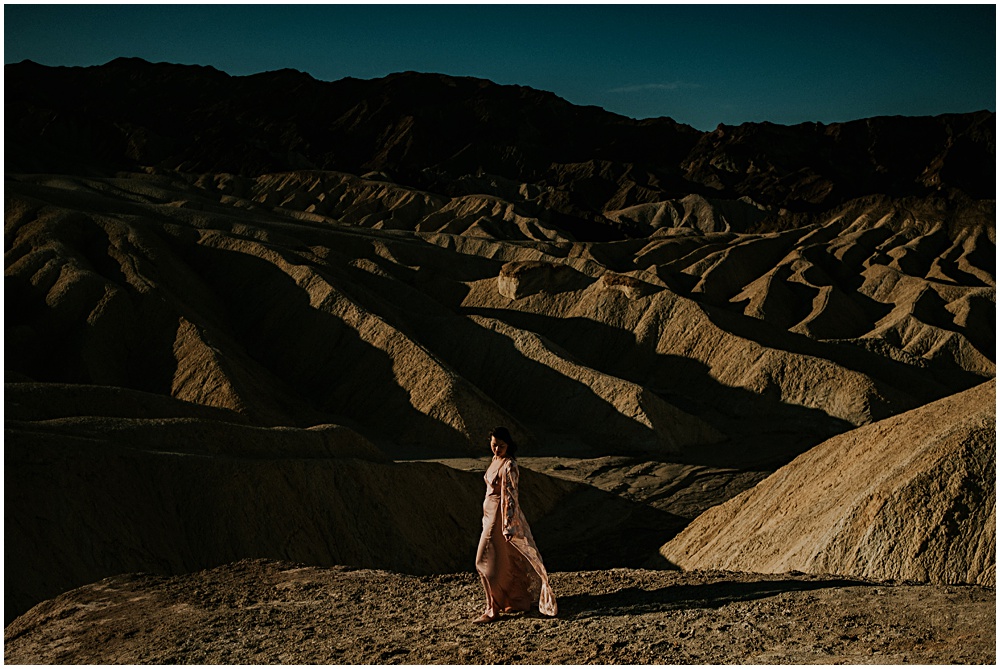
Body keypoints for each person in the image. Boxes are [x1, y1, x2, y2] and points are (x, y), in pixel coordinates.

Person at [473, 426, 557, 623]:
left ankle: (492, 609)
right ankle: (512, 599)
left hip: (498, 517)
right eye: (494, 445)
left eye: (501, 446)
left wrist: (509, 525)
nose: (496, 449)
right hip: (488, 515)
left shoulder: (509, 465)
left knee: (482, 562)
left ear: (508, 445)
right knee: (502, 559)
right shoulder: (495, 460)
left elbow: (511, 497)